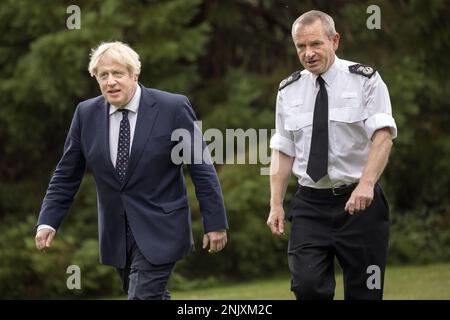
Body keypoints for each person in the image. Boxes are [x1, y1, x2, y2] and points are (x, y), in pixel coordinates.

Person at [35, 41, 228, 300]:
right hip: (117, 234)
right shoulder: (85, 114)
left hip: (162, 227)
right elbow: (66, 174)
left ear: (134, 75)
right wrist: (48, 221)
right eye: (103, 75)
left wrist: (214, 222)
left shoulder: (172, 108)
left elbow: (201, 168)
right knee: (150, 295)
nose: (111, 81)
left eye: (118, 74)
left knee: (142, 296)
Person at [266, 10, 397, 300]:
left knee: (366, 291)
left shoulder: (365, 80)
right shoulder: (288, 90)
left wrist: (366, 184)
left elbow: (383, 135)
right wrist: (276, 203)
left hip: (360, 204)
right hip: (310, 205)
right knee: (307, 286)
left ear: (334, 40)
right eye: (301, 47)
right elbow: (283, 148)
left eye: (315, 44)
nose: (308, 53)